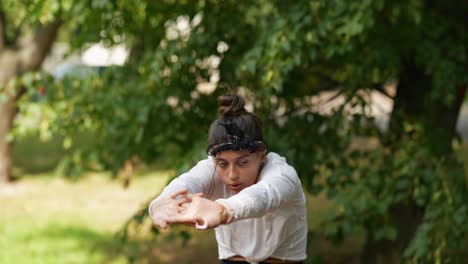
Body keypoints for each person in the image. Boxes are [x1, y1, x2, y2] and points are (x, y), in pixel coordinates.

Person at [148, 95, 307, 264]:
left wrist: (223, 210)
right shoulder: (211, 169)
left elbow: (262, 196)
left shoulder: (282, 175)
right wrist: (162, 203)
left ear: (261, 156)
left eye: (242, 162)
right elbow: (187, 183)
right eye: (222, 163)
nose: (232, 175)